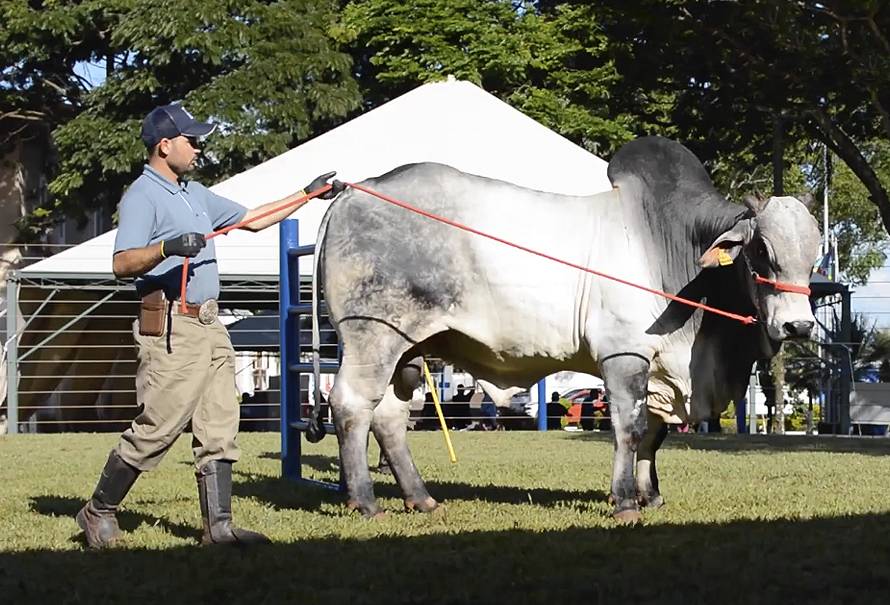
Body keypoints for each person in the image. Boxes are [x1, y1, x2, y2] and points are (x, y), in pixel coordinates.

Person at [75, 102, 343, 549]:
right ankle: (97, 512)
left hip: (210, 326)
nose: (199, 148)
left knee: (219, 429)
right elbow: (122, 263)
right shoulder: (142, 195)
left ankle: (218, 529)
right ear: (165, 145)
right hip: (172, 329)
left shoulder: (194, 192)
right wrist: (166, 248)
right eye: (192, 140)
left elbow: (253, 220)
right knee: (158, 427)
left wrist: (308, 194)